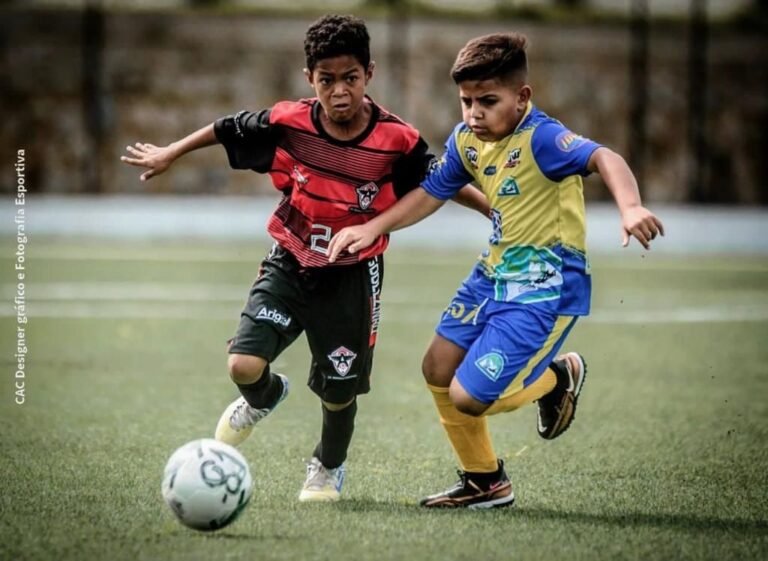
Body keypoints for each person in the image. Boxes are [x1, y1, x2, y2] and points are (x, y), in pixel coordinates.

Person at [121, 14, 488, 503]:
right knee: (243, 365)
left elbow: (439, 179)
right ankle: (266, 397)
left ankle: (326, 468)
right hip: (289, 261)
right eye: (326, 80)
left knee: (339, 391)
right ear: (309, 79)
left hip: (353, 277)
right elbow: (226, 128)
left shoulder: (395, 140)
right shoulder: (288, 123)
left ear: (370, 74)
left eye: (350, 79)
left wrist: (492, 207)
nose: (339, 91)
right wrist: (172, 151)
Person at [328, 32, 664, 508]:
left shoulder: (544, 139)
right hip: (493, 273)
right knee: (437, 367)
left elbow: (604, 157)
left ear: (522, 96)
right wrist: (374, 228)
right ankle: (485, 482)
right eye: (466, 101)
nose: (474, 114)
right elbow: (431, 193)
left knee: (469, 396)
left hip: (545, 286)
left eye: (488, 101)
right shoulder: (467, 140)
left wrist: (630, 207)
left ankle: (557, 378)